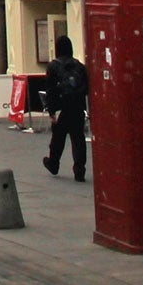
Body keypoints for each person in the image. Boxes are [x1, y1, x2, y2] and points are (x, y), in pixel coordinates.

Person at [43, 35, 89, 181]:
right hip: (77, 107)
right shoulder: (80, 66)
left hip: (62, 108)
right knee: (78, 139)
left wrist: (51, 111)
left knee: (58, 137)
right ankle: (79, 169)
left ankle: (53, 162)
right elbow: (86, 88)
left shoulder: (53, 66)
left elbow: (51, 90)